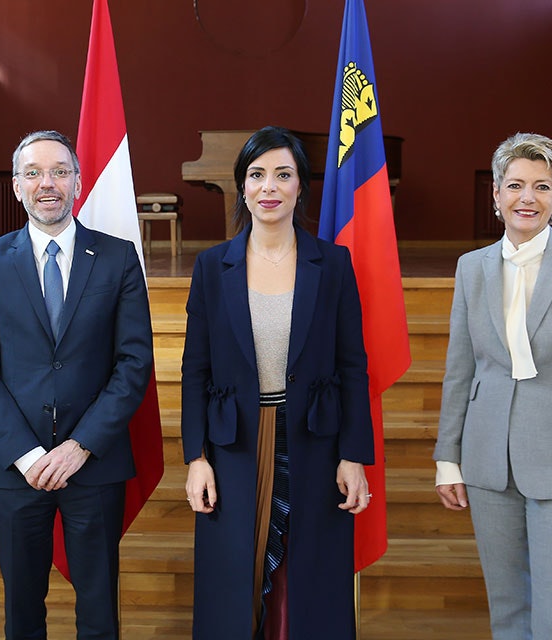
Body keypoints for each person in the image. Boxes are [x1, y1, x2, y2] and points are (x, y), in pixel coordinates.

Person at [0, 130, 154, 639]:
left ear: (78, 183)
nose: (47, 183)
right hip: (15, 467)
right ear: (16, 186)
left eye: (60, 172)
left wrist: (80, 446)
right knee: (22, 614)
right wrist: (27, 455)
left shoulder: (118, 258)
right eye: (34, 173)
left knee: (99, 614)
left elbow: (133, 363)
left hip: (95, 464)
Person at [181, 126, 374, 639]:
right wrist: (196, 458)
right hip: (234, 446)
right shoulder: (211, 267)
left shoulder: (332, 264)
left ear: (300, 186)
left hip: (315, 442)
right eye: (257, 174)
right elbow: (195, 370)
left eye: (283, 175)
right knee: (234, 589)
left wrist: (353, 455)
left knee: (309, 588)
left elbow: (352, 365)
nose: (269, 186)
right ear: (243, 187)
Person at [434, 132, 552, 639]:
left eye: (542, 186)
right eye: (516, 184)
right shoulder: (471, 267)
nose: (528, 197)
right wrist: (448, 457)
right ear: (496, 193)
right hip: (487, 461)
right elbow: (461, 370)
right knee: (508, 615)